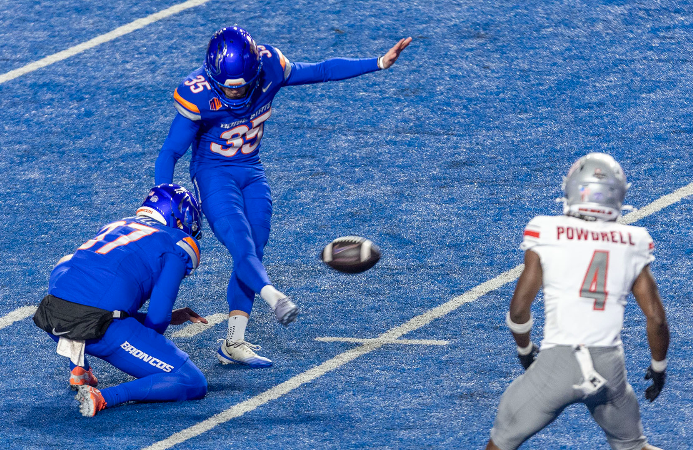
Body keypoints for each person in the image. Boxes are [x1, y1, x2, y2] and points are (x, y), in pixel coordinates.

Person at [154, 26, 412, 367]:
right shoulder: (197, 93)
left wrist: (377, 62)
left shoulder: (269, 66)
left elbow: (321, 70)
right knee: (241, 245)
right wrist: (160, 202)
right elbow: (170, 152)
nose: (237, 94)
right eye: (230, 88)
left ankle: (233, 342)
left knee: (255, 249)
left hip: (251, 170)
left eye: (244, 85)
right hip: (213, 174)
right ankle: (274, 297)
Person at [485, 153, 670, 450]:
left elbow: (520, 308)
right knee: (634, 446)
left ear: (571, 188)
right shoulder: (634, 240)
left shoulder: (546, 230)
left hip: (556, 364)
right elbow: (657, 319)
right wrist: (658, 367)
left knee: (502, 442)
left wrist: (524, 350)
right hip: (610, 367)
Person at [33, 184, 209, 417]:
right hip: (98, 328)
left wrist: (138, 320)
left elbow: (85, 286)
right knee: (191, 380)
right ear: (177, 216)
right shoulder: (174, 244)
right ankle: (105, 397)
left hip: (51, 314)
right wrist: (147, 344)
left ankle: (78, 368)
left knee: (86, 286)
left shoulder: (117, 225)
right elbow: (157, 318)